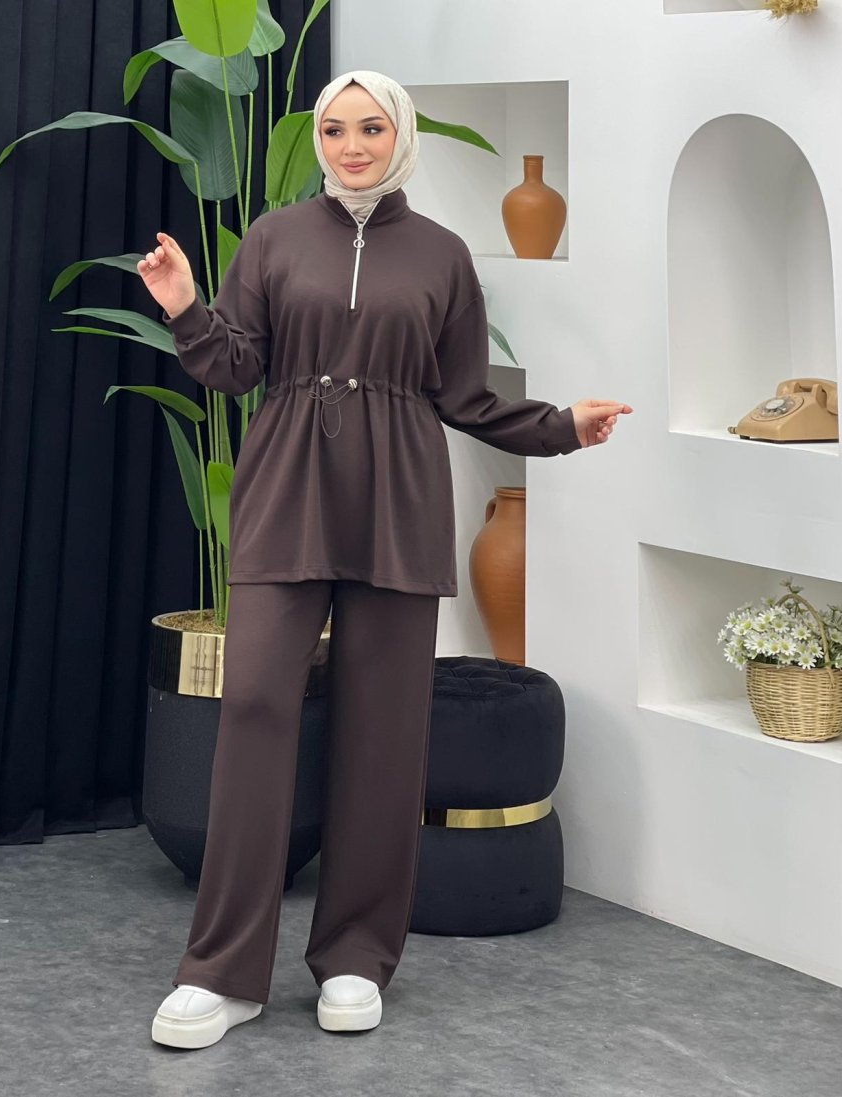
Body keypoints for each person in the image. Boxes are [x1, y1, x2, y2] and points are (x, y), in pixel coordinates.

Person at [138, 70, 632, 1050]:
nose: (352, 145)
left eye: (370, 127)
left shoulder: (442, 254)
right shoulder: (275, 237)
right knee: (257, 708)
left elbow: (467, 398)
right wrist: (187, 305)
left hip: (399, 503)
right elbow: (236, 365)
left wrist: (561, 426)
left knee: (383, 731)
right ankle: (222, 970)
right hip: (287, 492)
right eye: (334, 129)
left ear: (398, 134)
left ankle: (356, 955)